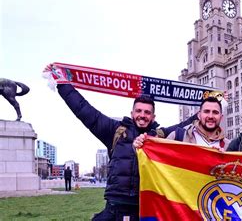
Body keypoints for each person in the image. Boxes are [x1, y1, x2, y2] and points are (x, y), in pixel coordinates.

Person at [47, 64, 197, 220]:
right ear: (132, 113)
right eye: (139, 111)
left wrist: (212, 104)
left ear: (153, 117)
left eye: (147, 112)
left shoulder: (160, 136)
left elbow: (185, 125)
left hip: (145, 207)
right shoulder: (115, 131)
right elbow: (84, 110)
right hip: (115, 206)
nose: (142, 115)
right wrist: (63, 84)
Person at [134, 97, 230, 150]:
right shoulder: (178, 136)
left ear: (221, 117)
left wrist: (223, 160)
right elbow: (156, 155)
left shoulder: (229, 146)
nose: (210, 116)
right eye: (206, 111)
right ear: (199, 115)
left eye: (215, 112)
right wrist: (140, 145)